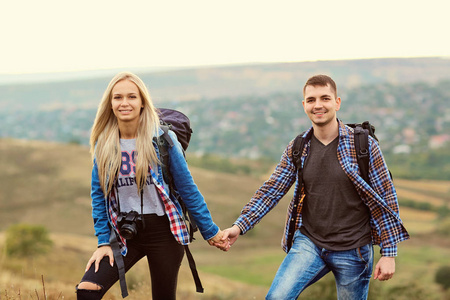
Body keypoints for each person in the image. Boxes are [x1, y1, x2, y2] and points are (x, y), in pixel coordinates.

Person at [219, 75, 410, 299]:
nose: (318, 105)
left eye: (325, 98)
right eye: (311, 100)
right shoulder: (298, 147)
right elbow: (271, 191)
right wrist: (239, 226)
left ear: (337, 102)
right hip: (309, 243)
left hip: (354, 249)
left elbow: (386, 196)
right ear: (304, 106)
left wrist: (388, 253)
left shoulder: (363, 145)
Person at [76, 71, 229, 300]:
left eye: (131, 97)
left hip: (164, 232)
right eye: (117, 98)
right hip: (125, 231)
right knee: (88, 290)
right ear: (110, 104)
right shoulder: (104, 145)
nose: (124, 103)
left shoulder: (162, 140)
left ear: (142, 103)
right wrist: (102, 243)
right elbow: (99, 196)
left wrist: (210, 231)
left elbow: (187, 189)